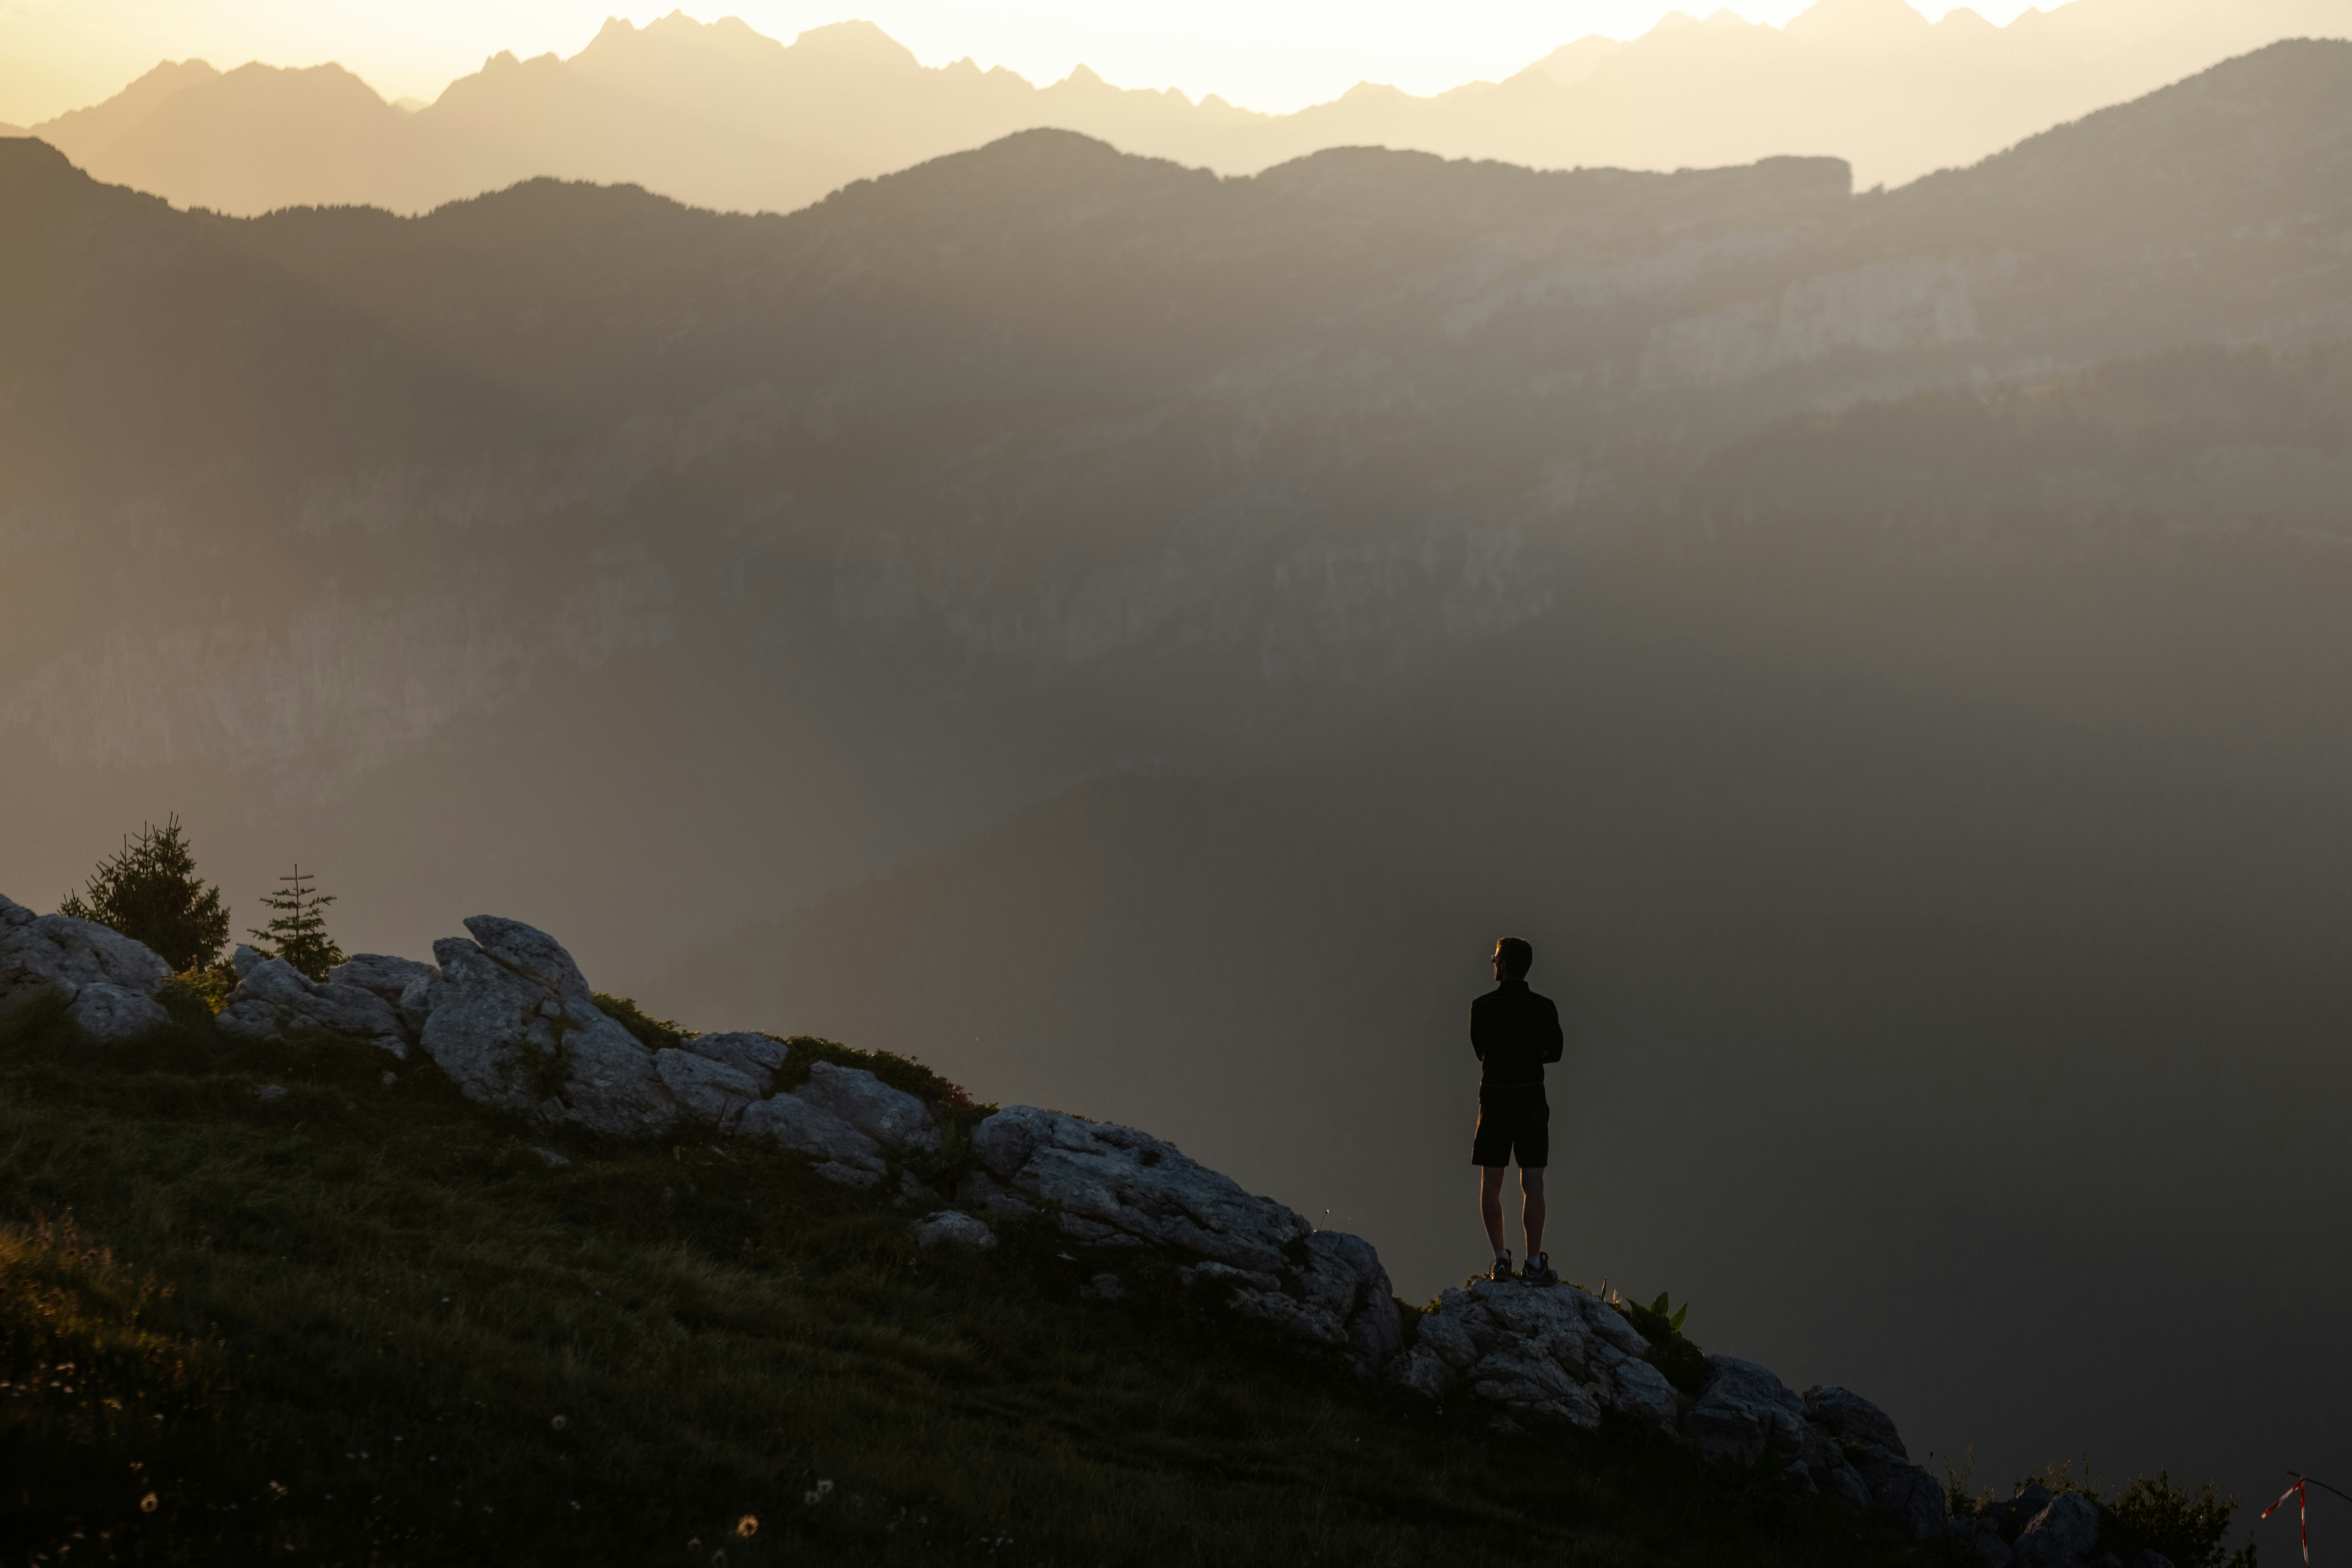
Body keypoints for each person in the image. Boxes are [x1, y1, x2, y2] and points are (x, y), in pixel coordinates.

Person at [1470, 936, 1563, 1285]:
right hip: (1531, 1099)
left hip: (1495, 1099)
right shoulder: (1544, 1008)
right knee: (1533, 1183)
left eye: (1496, 959)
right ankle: (1534, 1263)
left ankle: (1499, 1260)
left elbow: (1479, 1049)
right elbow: (1556, 1052)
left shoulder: (1482, 1007)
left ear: (1505, 965)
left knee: (1492, 1182)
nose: (1493, 963)